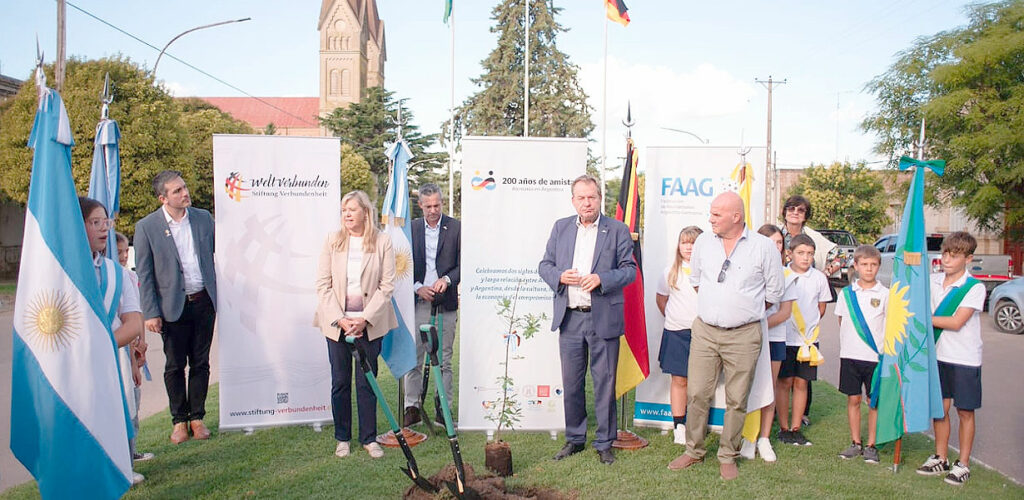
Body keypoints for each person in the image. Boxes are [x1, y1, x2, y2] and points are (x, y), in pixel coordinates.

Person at [667, 192, 783, 481]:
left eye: (717, 214)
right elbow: (697, 282)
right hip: (705, 331)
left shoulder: (764, 247)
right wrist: (717, 309)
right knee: (697, 393)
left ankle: (728, 455)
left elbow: (775, 292)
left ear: (736, 216)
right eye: (711, 213)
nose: (711, 219)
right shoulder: (704, 241)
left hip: (745, 335)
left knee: (737, 397)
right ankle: (693, 450)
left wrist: (742, 311)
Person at [538, 175, 636, 465]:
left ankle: (605, 441)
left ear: (599, 197)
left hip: (602, 317)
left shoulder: (617, 230)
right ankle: (575, 438)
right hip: (570, 319)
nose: (587, 202)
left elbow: (629, 270)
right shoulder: (561, 228)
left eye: (591, 197)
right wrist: (559, 276)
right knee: (571, 383)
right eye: (581, 198)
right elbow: (544, 265)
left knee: (605, 382)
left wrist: (602, 278)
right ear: (573, 201)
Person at [133, 170, 218, 444]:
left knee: (201, 362)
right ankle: (179, 421)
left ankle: (197, 418)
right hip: (171, 307)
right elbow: (144, 273)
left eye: (184, 187)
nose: (185, 193)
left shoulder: (204, 219)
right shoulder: (147, 227)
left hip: (203, 301)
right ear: (163, 198)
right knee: (174, 365)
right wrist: (151, 312)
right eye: (177, 191)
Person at [314, 190, 397, 459]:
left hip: (368, 325)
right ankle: (342, 438)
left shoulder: (382, 242)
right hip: (337, 324)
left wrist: (364, 319)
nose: (347, 215)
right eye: (343, 210)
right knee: (340, 381)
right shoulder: (332, 241)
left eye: (352, 209)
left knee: (366, 383)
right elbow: (323, 285)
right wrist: (341, 318)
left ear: (365, 212)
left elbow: (387, 287)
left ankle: (369, 438)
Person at [80, 198, 145, 485]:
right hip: (76, 364)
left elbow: (133, 323)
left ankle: (119, 468)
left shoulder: (115, 273)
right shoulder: (62, 275)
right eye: (95, 222)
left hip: (111, 358)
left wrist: (100, 346)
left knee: (118, 417)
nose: (104, 229)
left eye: (106, 222)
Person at [916, 231, 986, 486]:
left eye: (954, 255)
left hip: (965, 358)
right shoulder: (933, 281)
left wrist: (920, 319)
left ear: (968, 258)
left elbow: (956, 322)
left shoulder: (974, 287)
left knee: (965, 411)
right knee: (940, 409)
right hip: (938, 356)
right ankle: (941, 456)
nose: (947, 259)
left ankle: (963, 463)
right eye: (945, 253)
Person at [403, 183, 461, 428]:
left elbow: (463, 263)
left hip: (445, 303)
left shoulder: (456, 227)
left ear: (442, 202)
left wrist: (446, 280)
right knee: (414, 358)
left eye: (437, 205)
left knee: (444, 359)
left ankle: (442, 409)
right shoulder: (410, 229)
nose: (433, 210)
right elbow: (400, 265)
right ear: (420, 205)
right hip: (417, 302)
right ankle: (412, 408)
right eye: (428, 206)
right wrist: (418, 287)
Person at [780, 195, 840, 425]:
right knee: (783, 379)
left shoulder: (814, 237)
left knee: (802, 380)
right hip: (783, 325)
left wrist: (826, 272)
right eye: (791, 208)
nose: (795, 212)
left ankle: (800, 418)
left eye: (801, 210)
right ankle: (781, 418)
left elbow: (841, 255)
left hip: (806, 332)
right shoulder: (776, 232)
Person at [738, 223, 794, 463]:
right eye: (770, 241)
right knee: (747, 387)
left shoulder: (787, 275)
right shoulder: (748, 270)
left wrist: (757, 324)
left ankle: (764, 438)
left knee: (768, 389)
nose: (775, 246)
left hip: (774, 339)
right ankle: (748, 437)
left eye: (779, 242)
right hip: (748, 339)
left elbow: (784, 313)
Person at [776, 234, 831, 447]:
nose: (805, 258)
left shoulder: (818, 278)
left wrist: (809, 331)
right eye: (801, 253)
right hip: (785, 338)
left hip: (808, 341)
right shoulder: (782, 274)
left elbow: (822, 306)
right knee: (784, 382)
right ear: (790, 253)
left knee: (801, 383)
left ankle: (796, 427)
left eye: (809, 254)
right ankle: (783, 426)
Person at [835, 245, 887, 464]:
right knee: (853, 398)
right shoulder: (847, 294)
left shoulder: (886, 294)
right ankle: (855, 442)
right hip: (850, 355)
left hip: (875, 358)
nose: (869, 269)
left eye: (873, 265)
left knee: (873, 401)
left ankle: (871, 444)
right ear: (855, 266)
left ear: (878, 266)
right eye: (864, 265)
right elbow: (841, 320)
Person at [656, 226, 702, 445]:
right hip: (676, 333)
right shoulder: (670, 272)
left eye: (693, 243)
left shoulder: (708, 272)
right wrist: (676, 318)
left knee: (701, 383)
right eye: (685, 242)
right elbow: (661, 300)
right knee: (679, 380)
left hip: (703, 334)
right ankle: (679, 425)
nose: (689, 247)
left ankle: (696, 424)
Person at [116, 231, 155, 463]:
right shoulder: (114, 278)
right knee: (126, 401)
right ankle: (124, 455)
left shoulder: (129, 277)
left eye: (125, 251)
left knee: (135, 399)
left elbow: (136, 313)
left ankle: (131, 449)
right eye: (118, 251)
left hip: (133, 345)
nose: (122, 256)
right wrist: (131, 354)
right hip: (122, 349)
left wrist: (141, 340)